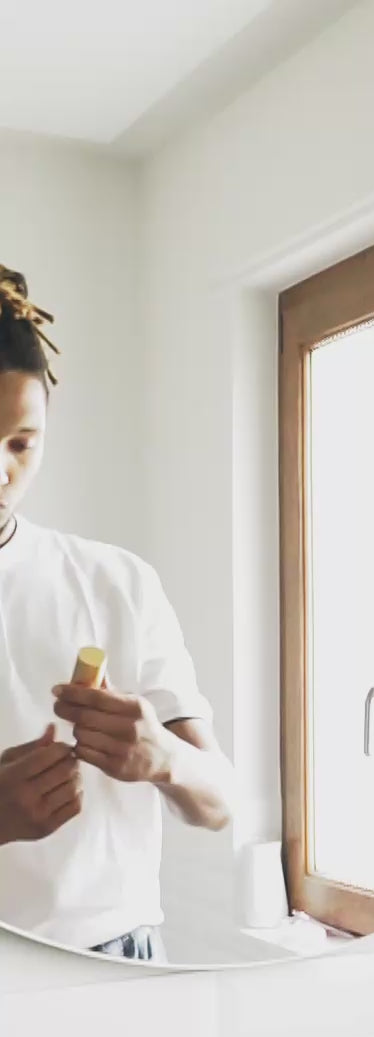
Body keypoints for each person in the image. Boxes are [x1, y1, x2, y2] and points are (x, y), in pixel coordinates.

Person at [0, 267, 234, 961]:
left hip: (119, 963)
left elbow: (219, 804)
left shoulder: (117, 584)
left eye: (22, 443)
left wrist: (164, 758)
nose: (0, 472)